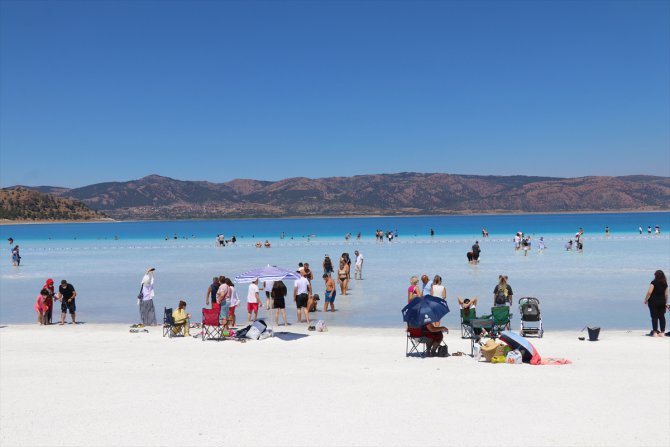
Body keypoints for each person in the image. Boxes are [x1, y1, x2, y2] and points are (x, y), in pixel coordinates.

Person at [644, 270, 668, 337]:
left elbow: (649, 292)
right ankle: (662, 333)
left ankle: (655, 332)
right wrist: (665, 302)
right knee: (662, 316)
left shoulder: (653, 282)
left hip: (653, 302)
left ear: (655, 275)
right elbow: (666, 294)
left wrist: (645, 300)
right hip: (662, 302)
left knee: (654, 316)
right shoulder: (665, 283)